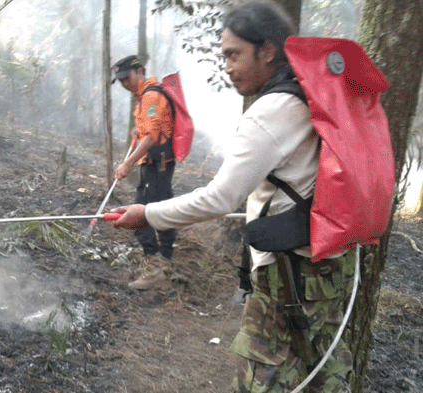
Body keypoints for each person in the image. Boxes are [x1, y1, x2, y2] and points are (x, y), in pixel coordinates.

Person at [110, 2, 355, 391]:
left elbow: (220, 198)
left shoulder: (272, 111)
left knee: (259, 377)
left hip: (287, 273)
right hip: (327, 265)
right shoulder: (311, 95)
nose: (225, 66)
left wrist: (148, 213)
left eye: (233, 54)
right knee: (322, 369)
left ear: (268, 51)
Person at [111, 55, 178, 290]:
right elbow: (146, 131)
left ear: (139, 71)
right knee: (161, 209)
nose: (124, 84)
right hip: (155, 164)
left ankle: (156, 266)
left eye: (126, 78)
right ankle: (164, 263)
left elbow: (151, 137)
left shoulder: (151, 96)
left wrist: (127, 163)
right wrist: (135, 134)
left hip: (156, 163)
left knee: (142, 215)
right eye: (119, 81)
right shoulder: (143, 97)